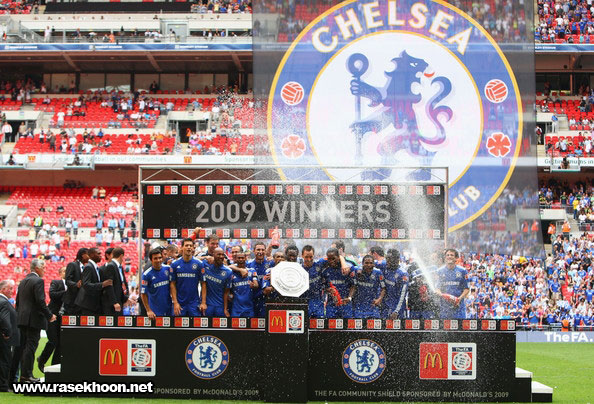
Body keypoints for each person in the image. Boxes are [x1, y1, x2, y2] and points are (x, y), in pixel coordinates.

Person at [15, 259, 56, 383]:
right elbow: (40, 301)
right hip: (33, 320)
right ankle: (27, 375)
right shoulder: (38, 281)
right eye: (43, 267)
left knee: (25, 347)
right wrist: (49, 315)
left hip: (22, 319)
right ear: (37, 268)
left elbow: (18, 302)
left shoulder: (23, 281)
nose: (45, 270)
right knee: (31, 347)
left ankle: (24, 375)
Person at [37, 266, 66, 371]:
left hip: (64, 318)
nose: (66, 273)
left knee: (60, 343)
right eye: (64, 271)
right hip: (52, 315)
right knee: (53, 340)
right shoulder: (56, 282)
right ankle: (42, 359)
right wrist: (67, 291)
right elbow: (52, 294)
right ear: (60, 273)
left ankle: (55, 365)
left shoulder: (73, 285)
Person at [170, 238, 204, 316]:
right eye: (186, 245)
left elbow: (203, 284)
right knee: (177, 323)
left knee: (195, 323)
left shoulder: (199, 264)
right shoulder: (175, 264)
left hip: (194, 303)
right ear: (182, 247)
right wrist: (175, 302)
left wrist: (203, 302)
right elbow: (172, 284)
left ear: (193, 248)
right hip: (180, 303)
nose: (189, 247)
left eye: (191, 246)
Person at [75, 247, 112, 315]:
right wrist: (102, 284)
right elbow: (86, 284)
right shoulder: (89, 267)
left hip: (93, 304)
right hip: (87, 304)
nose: (101, 256)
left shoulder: (95, 267)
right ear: (92, 255)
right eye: (98, 254)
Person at [435, 249, 469, 319]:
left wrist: (459, 299)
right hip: (445, 308)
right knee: (444, 325)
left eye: (452, 255)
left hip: (458, 307)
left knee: (460, 325)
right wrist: (442, 295)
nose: (449, 256)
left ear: (456, 258)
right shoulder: (439, 271)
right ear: (445, 258)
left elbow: (467, 289)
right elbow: (437, 288)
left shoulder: (462, 271)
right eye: (447, 255)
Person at [321, 248, 354, 318]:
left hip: (345, 305)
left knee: (347, 324)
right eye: (329, 259)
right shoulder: (325, 271)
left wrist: (349, 298)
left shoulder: (346, 269)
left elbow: (353, 286)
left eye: (333, 258)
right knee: (330, 324)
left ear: (338, 257)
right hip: (331, 306)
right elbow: (323, 287)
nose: (331, 261)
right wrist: (328, 290)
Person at [141, 248, 172, 319]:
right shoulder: (146, 275)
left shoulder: (168, 269)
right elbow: (143, 294)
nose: (158, 260)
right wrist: (148, 310)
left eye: (160, 258)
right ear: (151, 260)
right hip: (155, 311)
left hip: (169, 308)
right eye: (155, 258)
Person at [200, 248, 232, 317]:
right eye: (218, 254)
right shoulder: (205, 264)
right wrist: (205, 257)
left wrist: (225, 309)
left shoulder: (228, 272)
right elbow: (194, 259)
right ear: (213, 255)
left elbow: (226, 292)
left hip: (220, 306)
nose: (221, 256)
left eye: (222, 255)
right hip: (207, 305)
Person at [247, 242, 274, 317]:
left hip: (266, 300)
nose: (260, 252)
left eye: (262, 250)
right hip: (252, 299)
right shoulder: (248, 264)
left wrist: (274, 276)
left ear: (265, 251)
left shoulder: (271, 263)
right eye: (258, 250)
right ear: (254, 251)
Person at [379, 248, 409, 319]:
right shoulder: (384, 266)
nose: (387, 261)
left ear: (397, 260)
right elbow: (369, 263)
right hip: (385, 309)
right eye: (387, 258)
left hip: (397, 311)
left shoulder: (403, 274)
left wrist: (396, 311)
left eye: (390, 259)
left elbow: (402, 295)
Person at [0, 280, 18, 392]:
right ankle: (3, 385)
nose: (12, 291)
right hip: (4, 338)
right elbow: (4, 319)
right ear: (3, 289)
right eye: (10, 288)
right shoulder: (4, 302)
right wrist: (7, 333)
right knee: (5, 360)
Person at [229, 251, 258, 317]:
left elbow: (256, 285)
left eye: (242, 258)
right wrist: (229, 294)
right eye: (239, 258)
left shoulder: (251, 271)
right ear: (236, 259)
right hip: (236, 308)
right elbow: (227, 267)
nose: (241, 259)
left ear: (245, 258)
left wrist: (253, 285)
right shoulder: (231, 272)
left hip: (249, 308)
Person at [100, 247, 128, 315]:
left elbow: (121, 284)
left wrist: (125, 298)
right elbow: (109, 286)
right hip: (112, 304)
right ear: (121, 256)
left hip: (119, 300)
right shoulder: (111, 266)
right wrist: (114, 302)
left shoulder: (119, 267)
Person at [63, 248, 88, 315]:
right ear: (83, 255)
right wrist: (76, 284)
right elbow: (67, 281)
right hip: (72, 300)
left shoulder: (87, 267)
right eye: (88, 254)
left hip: (82, 301)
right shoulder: (72, 265)